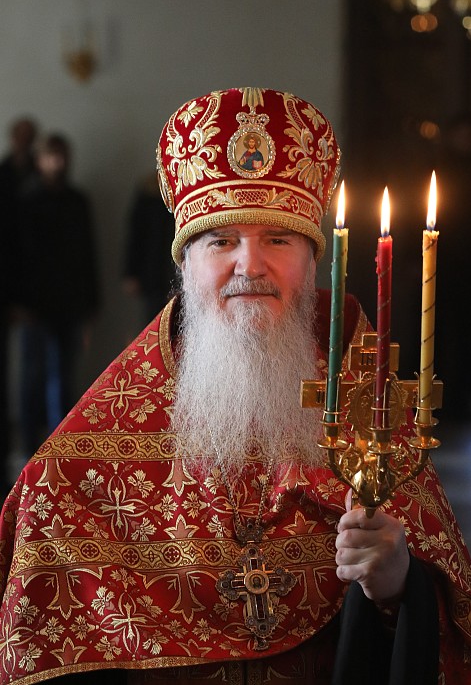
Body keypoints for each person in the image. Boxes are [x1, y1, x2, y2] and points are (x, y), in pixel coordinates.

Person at [0, 88, 469, 685]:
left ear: (312, 260)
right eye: (221, 240)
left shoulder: (369, 411)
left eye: (278, 239)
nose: (250, 266)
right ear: (185, 264)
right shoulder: (84, 457)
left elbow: (450, 618)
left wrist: (400, 586)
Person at [15, 133, 100, 459]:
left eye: (62, 155)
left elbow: (88, 255)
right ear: (39, 160)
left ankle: (57, 455)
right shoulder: (27, 201)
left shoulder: (77, 201)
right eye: (52, 156)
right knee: (32, 379)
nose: (59, 162)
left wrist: (91, 304)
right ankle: (27, 453)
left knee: (62, 379)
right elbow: (17, 257)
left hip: (69, 305)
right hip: (34, 306)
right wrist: (19, 303)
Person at [0, 117, 38, 494]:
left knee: (34, 376)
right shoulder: (5, 176)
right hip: (7, 294)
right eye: (20, 136)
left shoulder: (39, 181)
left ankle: (32, 456)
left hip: (35, 298)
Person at [122, 173, 175, 326]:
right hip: (153, 270)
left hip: (179, 266)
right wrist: (131, 271)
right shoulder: (149, 190)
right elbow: (137, 234)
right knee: (154, 322)